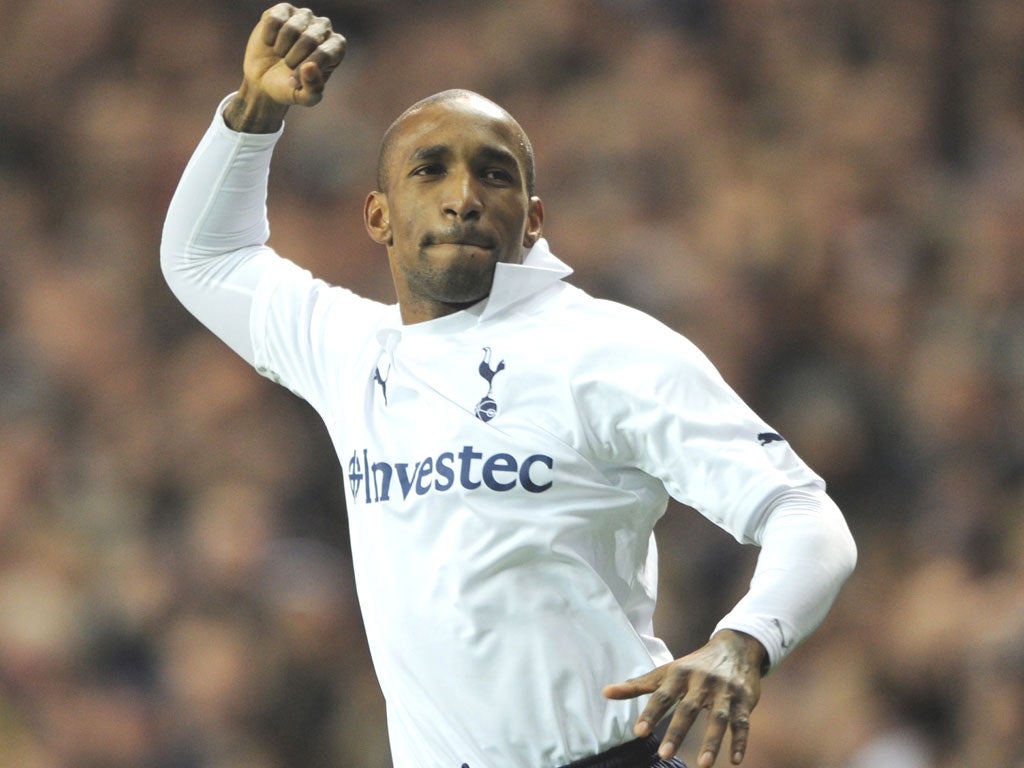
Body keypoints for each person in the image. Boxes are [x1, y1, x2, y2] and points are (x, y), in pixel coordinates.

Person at [161, 5, 857, 767]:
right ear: (378, 217)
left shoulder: (605, 349)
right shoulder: (350, 349)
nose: (464, 195)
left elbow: (803, 511)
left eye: (494, 174)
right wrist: (254, 109)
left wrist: (744, 642)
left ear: (532, 218)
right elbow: (204, 259)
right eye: (430, 170)